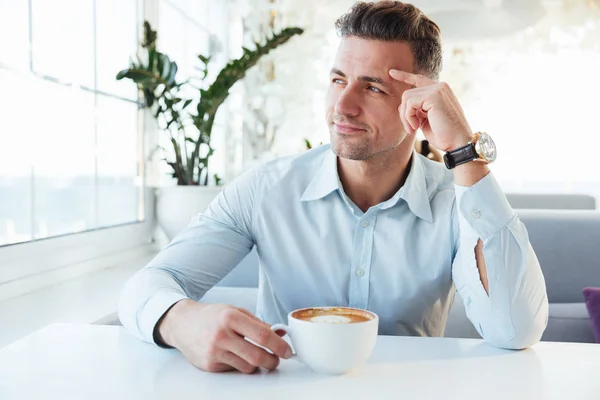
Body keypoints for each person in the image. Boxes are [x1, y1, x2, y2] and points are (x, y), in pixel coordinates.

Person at [119, 1, 548, 374]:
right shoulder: (265, 189)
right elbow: (150, 283)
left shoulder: (457, 201)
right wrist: (180, 321)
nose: (342, 106)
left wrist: (463, 150)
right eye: (338, 79)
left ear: (420, 103)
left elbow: (515, 329)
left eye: (373, 87)